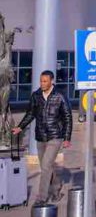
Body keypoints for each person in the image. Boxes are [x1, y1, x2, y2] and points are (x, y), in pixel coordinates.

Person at [12, 71, 72, 205]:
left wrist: (67, 138)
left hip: (55, 136)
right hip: (40, 136)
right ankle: (56, 189)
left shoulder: (60, 95)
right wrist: (20, 127)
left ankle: (42, 197)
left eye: (45, 81)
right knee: (47, 166)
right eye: (41, 81)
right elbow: (30, 114)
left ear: (51, 81)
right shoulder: (36, 96)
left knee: (45, 165)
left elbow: (68, 117)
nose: (42, 84)